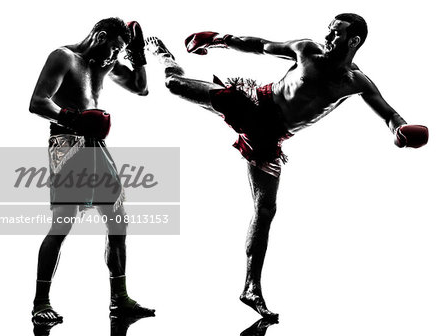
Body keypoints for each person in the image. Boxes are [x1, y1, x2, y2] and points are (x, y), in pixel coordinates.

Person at [145, 13, 428, 320]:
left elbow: (389, 114)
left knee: (265, 210)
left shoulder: (355, 82)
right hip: (252, 106)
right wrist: (219, 40)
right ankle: (160, 53)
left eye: (336, 35)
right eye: (329, 32)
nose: (328, 38)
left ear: (353, 41)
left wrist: (399, 131)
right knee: (173, 83)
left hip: (270, 138)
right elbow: (260, 45)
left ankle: (251, 288)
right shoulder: (307, 50)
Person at [29, 17, 155, 323]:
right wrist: (73, 118)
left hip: (96, 144)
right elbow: (37, 102)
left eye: (119, 52)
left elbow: (141, 88)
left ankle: (120, 300)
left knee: (118, 220)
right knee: (63, 224)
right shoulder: (64, 57)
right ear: (99, 36)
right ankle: (40, 302)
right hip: (67, 140)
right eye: (114, 48)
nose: (114, 56)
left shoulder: (106, 65)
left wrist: (137, 55)